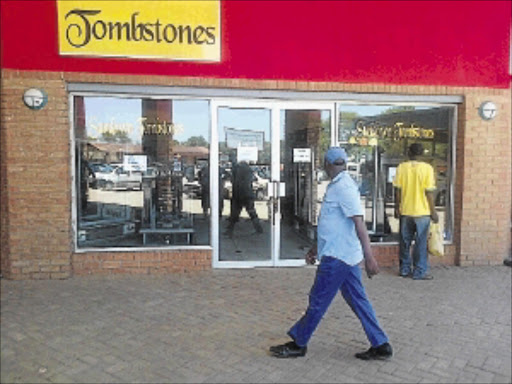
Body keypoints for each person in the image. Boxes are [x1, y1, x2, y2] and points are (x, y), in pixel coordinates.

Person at [269, 147, 392, 360]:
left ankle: (299, 343)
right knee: (359, 301)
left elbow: (359, 223)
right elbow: (333, 224)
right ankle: (381, 345)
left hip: (338, 258)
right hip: (341, 254)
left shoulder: (344, 187)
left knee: (318, 300)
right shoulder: (337, 186)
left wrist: (370, 257)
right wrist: (316, 248)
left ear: (327, 165)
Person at [393, 143, 439, 280]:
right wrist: (433, 211)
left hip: (406, 211)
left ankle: (404, 270)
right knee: (420, 243)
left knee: (404, 242)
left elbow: (398, 190)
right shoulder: (427, 169)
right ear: (422, 154)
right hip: (422, 213)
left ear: (409, 152)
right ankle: (419, 272)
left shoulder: (401, 167)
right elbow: (429, 193)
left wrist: (397, 207)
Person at [225, 154, 263, 236]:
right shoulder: (245, 169)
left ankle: (229, 231)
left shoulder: (239, 169)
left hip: (241, 194)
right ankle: (258, 229)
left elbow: (237, 182)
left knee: (236, 213)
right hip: (246, 194)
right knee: (250, 212)